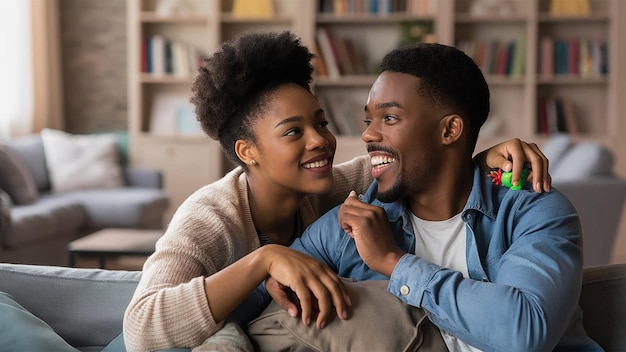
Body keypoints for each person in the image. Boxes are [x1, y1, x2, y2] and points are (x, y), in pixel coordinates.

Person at [123, 31, 552, 351]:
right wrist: (265, 260)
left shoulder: (337, 187)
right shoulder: (209, 217)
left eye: (321, 123)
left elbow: (415, 164)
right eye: (294, 131)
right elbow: (141, 326)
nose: (320, 141)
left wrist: (479, 157)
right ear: (247, 151)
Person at [266, 42, 602, 351]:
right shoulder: (349, 226)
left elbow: (524, 333)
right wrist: (265, 262)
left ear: (449, 130)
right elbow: (250, 298)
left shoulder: (534, 210)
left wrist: (393, 261)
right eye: (369, 119)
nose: (368, 133)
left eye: (390, 117)